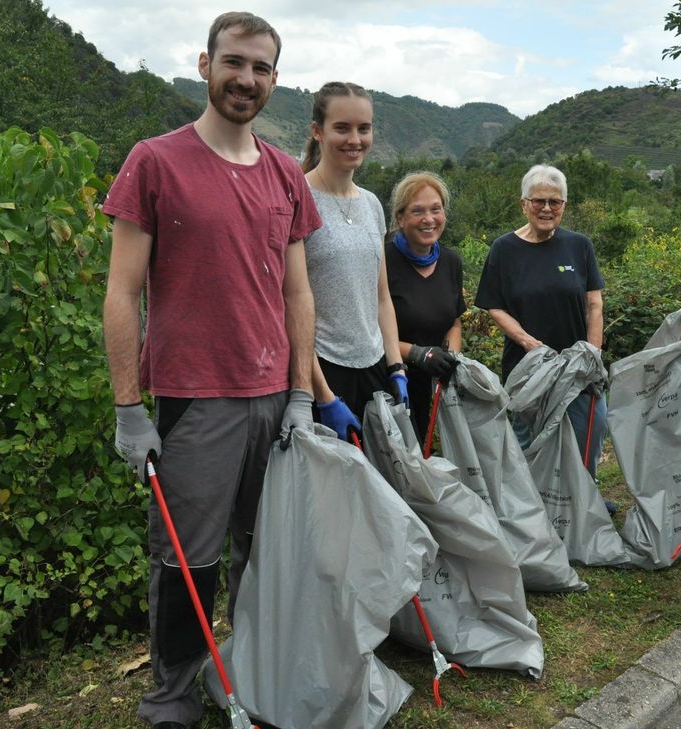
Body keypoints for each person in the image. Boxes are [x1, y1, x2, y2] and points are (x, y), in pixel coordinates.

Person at [102, 13, 320, 729]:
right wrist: (129, 409)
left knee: (265, 550)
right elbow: (121, 291)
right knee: (187, 560)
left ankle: (253, 667)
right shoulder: (155, 161)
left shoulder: (288, 173)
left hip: (272, 399)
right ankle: (172, 693)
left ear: (275, 80)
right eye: (234, 62)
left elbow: (296, 292)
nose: (246, 79)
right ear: (205, 64)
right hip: (196, 398)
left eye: (261, 68)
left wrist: (299, 394)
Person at [474, 164, 608, 480]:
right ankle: (533, 514)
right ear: (524, 204)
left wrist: (593, 354)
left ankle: (582, 502)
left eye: (555, 201)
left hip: (576, 368)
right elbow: (494, 305)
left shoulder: (579, 245)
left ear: (564, 205)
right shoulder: (504, 249)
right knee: (528, 445)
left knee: (589, 432)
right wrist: (527, 341)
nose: (546, 208)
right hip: (526, 369)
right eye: (538, 201)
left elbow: (594, 303)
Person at [301, 82, 407, 438]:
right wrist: (323, 395)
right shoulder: (298, 200)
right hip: (325, 371)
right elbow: (289, 305)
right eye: (342, 128)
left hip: (374, 365)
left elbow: (380, 296)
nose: (355, 139)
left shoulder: (372, 204)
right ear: (318, 131)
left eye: (364, 128)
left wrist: (396, 366)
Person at [386, 171, 465, 439]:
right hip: (393, 383)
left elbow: (454, 319)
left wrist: (451, 357)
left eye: (436, 209)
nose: (428, 219)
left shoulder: (451, 263)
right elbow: (369, 331)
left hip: (433, 385)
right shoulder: (382, 261)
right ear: (400, 218)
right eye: (417, 211)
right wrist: (418, 353)